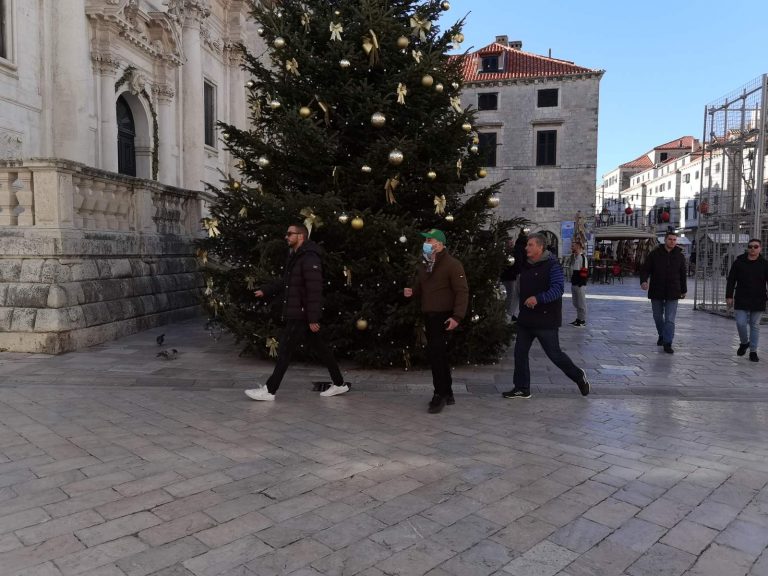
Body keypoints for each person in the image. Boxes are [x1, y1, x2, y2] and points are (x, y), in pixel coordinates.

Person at [244, 224, 349, 401]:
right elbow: (287, 282)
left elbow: (314, 290)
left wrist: (313, 317)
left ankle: (269, 390)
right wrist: (266, 290)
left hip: (301, 314)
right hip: (300, 313)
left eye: (290, 234)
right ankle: (339, 384)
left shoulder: (309, 258)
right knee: (321, 348)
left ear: (301, 236)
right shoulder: (296, 256)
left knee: (284, 351)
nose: (286, 237)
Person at [502, 233, 590, 399]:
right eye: (527, 245)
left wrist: (538, 298)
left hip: (546, 320)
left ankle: (578, 376)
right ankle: (522, 387)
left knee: (555, 355)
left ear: (540, 247)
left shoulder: (552, 266)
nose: (526, 248)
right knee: (519, 353)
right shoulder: (525, 266)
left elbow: (558, 289)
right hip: (526, 319)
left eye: (530, 245)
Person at [404, 229, 468, 414]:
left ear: (439, 244)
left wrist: (457, 317)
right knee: (438, 355)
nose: (426, 243)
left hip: (443, 316)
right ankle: (447, 393)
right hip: (429, 316)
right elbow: (421, 285)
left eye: (429, 240)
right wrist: (412, 291)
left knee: (437, 356)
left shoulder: (452, 264)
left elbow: (462, 291)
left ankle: (439, 395)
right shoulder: (426, 263)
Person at [640, 231, 687, 354]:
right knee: (657, 316)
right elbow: (645, 269)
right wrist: (644, 281)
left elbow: (683, 275)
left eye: (674, 240)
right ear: (665, 240)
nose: (672, 241)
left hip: (673, 290)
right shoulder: (654, 254)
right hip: (657, 289)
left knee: (670, 319)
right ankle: (662, 334)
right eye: (670, 239)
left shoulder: (680, 256)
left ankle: (667, 342)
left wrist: (684, 290)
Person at [726, 238, 768, 362]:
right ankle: (744, 343)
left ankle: (753, 351)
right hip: (741, 297)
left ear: (760, 248)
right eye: (750, 246)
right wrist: (729, 295)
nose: (753, 249)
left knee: (755, 326)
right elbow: (731, 279)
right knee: (740, 323)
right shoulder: (739, 262)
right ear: (747, 248)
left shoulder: (765, 264)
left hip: (759, 298)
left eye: (755, 247)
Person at [500, 230, 527, 322]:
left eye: (512, 241)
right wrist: (517, 272)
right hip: (511, 276)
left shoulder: (513, 250)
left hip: (510, 275)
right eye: (510, 241)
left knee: (512, 295)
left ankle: (510, 314)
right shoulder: (512, 251)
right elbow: (518, 263)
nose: (511, 243)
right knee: (512, 295)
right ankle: (508, 314)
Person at [569, 240, 588, 326]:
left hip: (580, 284)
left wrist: (581, 283)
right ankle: (578, 318)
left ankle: (582, 321)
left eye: (573, 246)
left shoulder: (582, 257)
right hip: (575, 283)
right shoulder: (575, 257)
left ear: (578, 247)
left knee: (581, 302)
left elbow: (584, 271)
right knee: (576, 302)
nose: (571, 247)